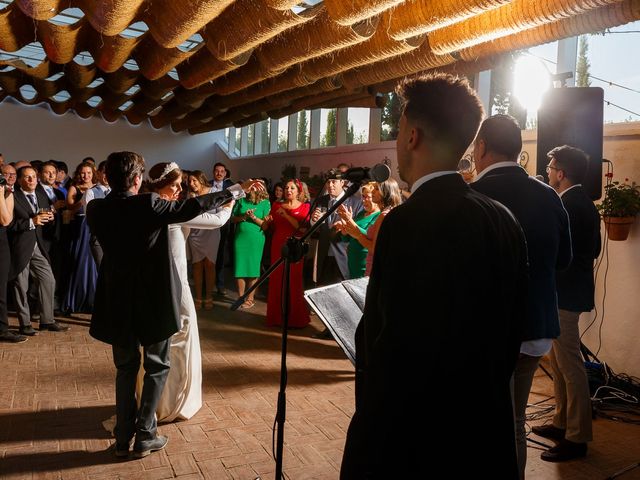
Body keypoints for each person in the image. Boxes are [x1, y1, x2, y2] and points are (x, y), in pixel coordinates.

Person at [341, 74, 528, 479]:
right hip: (482, 430)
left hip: (418, 440)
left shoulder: (405, 223)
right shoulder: (503, 219)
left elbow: (387, 346)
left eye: (397, 130)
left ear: (412, 136)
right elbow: (513, 328)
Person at [86, 151, 261, 458]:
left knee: (125, 369)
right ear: (138, 179)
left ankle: (122, 437)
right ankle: (145, 435)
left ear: (106, 178)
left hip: (117, 300)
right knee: (156, 365)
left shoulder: (95, 208)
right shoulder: (149, 204)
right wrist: (235, 191)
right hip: (153, 299)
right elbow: (194, 205)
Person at [471, 114, 572, 478]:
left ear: (481, 148)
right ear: (519, 151)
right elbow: (564, 260)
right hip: (534, 328)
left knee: (476, 424)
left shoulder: (472, 196)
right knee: (514, 420)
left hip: (485, 334)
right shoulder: (548, 195)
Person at [140, 162, 233, 422]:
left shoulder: (147, 205)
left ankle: (161, 400)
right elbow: (216, 220)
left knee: (168, 336)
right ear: (161, 186)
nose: (181, 189)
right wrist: (233, 198)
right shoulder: (168, 209)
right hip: (175, 281)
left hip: (161, 280)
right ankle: (173, 401)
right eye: (175, 185)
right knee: (182, 330)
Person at [532, 145, 601, 462]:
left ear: (561, 173)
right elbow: (594, 250)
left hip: (566, 295)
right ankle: (562, 422)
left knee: (570, 366)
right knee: (559, 362)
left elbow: (561, 252)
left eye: (551, 168)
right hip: (568, 293)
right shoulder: (580, 202)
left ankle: (577, 437)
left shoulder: (570, 205)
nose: (547, 172)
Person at [8, 166, 67, 335]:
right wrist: (31, 221)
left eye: (33, 176)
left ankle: (47, 321)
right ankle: (24, 324)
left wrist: (49, 217)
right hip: (19, 247)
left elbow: (44, 218)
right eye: (27, 177)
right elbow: (8, 224)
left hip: (39, 246)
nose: (32, 180)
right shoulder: (13, 196)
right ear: (19, 180)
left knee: (48, 280)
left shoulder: (41, 196)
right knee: (21, 286)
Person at [262, 179, 311, 328]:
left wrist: (286, 215)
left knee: (293, 281)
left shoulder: (305, 207)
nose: (288, 190)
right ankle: (276, 318)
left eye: (292, 188)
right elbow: (265, 227)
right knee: (277, 280)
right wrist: (266, 221)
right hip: (277, 246)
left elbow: (302, 230)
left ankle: (296, 319)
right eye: (286, 188)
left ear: (299, 191)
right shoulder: (276, 205)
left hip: (295, 248)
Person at [231, 182, 270, 309]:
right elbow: (233, 219)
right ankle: (240, 297)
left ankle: (250, 298)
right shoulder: (241, 200)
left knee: (253, 267)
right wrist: (244, 216)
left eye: (254, 187)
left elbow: (266, 226)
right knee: (240, 267)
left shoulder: (265, 203)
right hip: (240, 238)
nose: (250, 189)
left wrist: (253, 217)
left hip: (256, 239)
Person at [334, 183, 381, 279]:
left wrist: (350, 221)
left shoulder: (379, 216)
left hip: (365, 262)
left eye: (367, 197)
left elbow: (369, 235)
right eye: (363, 197)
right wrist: (344, 228)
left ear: (375, 197)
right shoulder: (361, 213)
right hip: (352, 260)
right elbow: (346, 238)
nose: (363, 200)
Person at [0, 182, 27, 343]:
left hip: (1, 242)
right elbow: (4, 219)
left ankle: (2, 328)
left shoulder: (6, 190)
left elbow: (7, 219)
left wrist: (6, 193)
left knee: (1, 286)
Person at [210, 162, 234, 296]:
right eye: (217, 171)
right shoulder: (207, 185)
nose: (219, 173)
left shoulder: (231, 187)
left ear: (225, 173)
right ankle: (206, 283)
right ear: (213, 172)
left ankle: (219, 284)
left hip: (223, 225)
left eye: (222, 171)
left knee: (220, 254)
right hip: (208, 225)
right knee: (208, 255)